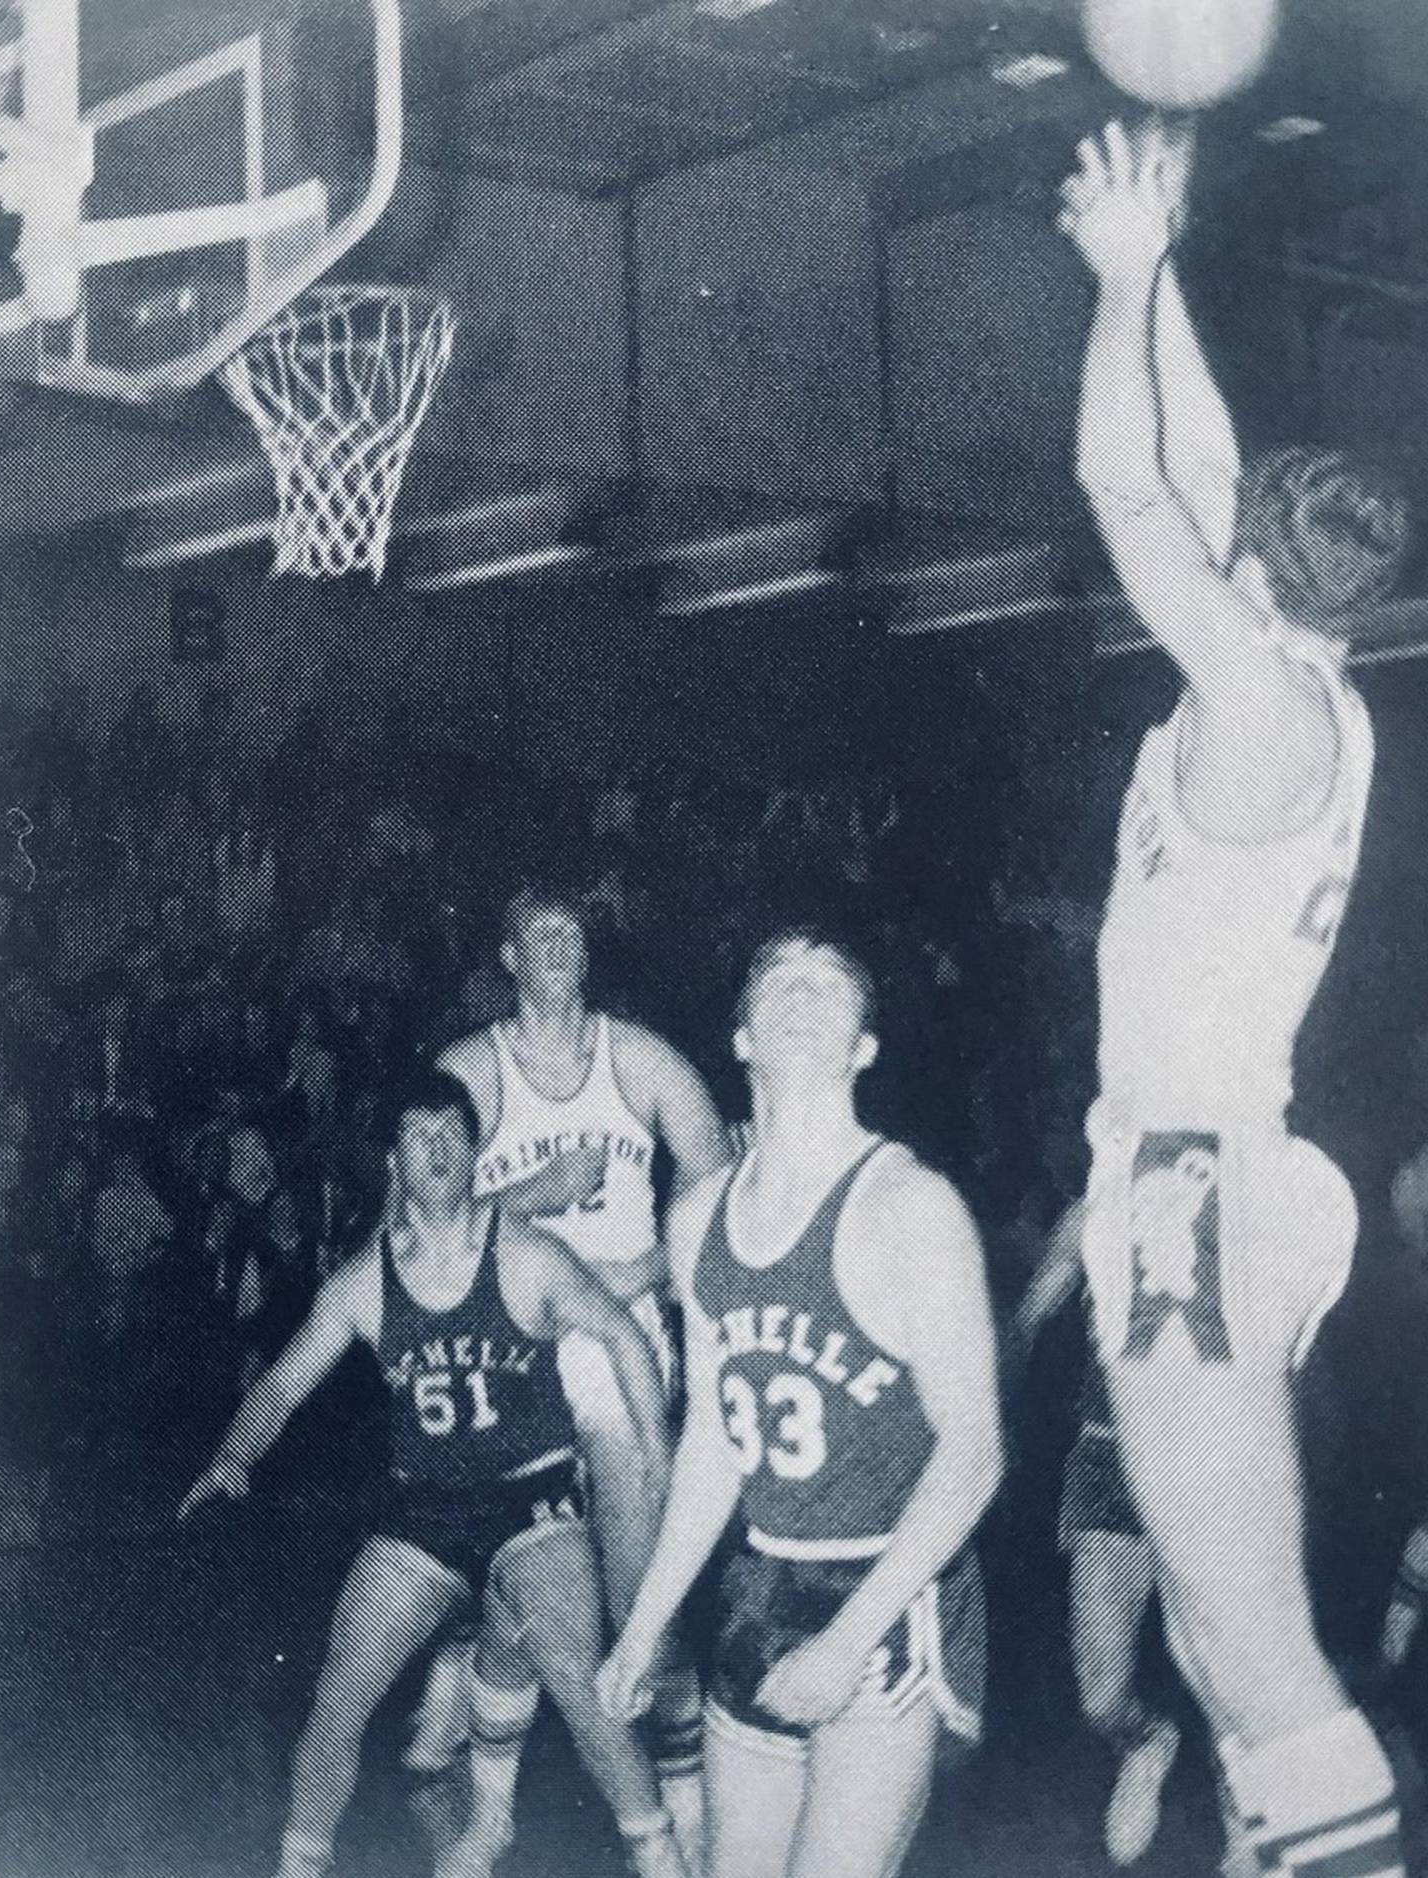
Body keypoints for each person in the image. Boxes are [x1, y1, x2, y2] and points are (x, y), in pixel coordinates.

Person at [1060, 118, 1413, 1878]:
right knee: (1217, 1642)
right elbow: (1199, 477)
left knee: (1257, 1659)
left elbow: (1135, 497)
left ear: (1257, 581)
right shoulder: (1295, 683)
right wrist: (1163, 259)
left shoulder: (1263, 711)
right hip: (1220, 1167)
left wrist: (1124, 273)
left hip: (1195, 1177)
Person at [181, 1069, 687, 1878]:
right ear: (395, 1164)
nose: (439, 1145)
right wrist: (233, 1456)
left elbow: (624, 1337)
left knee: (579, 1680)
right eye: (420, 1135)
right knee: (338, 1702)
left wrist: (658, 1461)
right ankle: (297, 1867)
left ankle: (663, 1859)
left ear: (475, 1150)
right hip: (426, 1509)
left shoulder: (524, 1254)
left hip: (532, 1498)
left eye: (453, 1131)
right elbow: (280, 1384)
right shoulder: (363, 1285)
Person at [599, 927, 1002, 1878]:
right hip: (761, 1582)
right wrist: (646, 1623)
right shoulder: (697, 1219)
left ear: (866, 1047)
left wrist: (850, 1636)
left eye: (832, 985)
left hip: (891, 1593)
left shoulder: (912, 1206)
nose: (804, 995)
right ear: (741, 1037)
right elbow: (713, 1444)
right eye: (781, 981)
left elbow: (975, 1453)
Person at [427, 884, 729, 1864]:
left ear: (587, 956)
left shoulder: (637, 1058)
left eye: (573, 933)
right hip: (509, 1356)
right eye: (539, 935)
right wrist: (529, 1189)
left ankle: (684, 1818)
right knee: (529, 1607)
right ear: (507, 957)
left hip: (620, 1344)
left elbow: (715, 1173)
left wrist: (650, 1267)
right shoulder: (467, 1071)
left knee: (648, 1600)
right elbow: (413, 1225)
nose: (559, 946)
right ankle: (495, 1812)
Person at [1016, 1200, 1179, 1866]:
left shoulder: (1261, 1190)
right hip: (1112, 1454)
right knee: (1100, 1695)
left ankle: (1250, 1842)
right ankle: (1145, 1742)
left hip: (1221, 1456)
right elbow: (1029, 1315)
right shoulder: (1098, 1208)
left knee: (1233, 1677)